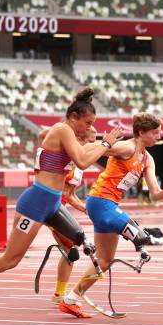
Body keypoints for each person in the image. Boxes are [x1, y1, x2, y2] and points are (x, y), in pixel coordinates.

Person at [0, 87, 123, 318]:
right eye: (87, 122)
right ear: (73, 118)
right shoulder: (62, 129)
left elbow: (69, 146)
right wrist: (107, 143)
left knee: (77, 246)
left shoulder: (66, 133)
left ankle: (67, 297)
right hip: (36, 202)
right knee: (10, 259)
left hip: (52, 204)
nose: (90, 128)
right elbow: (82, 161)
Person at [59, 113, 163, 318]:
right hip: (100, 201)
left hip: (110, 205)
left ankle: (71, 299)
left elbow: (155, 192)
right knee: (139, 234)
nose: (158, 136)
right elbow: (86, 149)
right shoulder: (127, 148)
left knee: (105, 260)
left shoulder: (148, 159)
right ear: (141, 132)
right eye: (155, 132)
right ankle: (143, 241)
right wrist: (102, 144)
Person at [38, 125, 98, 304]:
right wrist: (66, 127)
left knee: (70, 251)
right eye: (89, 141)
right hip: (47, 206)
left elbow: (69, 195)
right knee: (71, 250)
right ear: (79, 138)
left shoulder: (80, 164)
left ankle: (59, 294)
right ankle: (58, 295)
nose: (91, 145)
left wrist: (87, 209)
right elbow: (41, 135)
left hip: (59, 210)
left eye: (94, 142)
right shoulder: (64, 152)